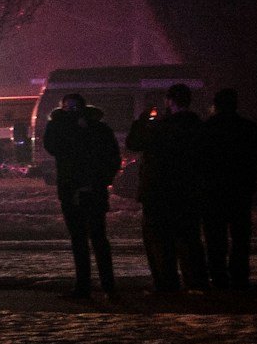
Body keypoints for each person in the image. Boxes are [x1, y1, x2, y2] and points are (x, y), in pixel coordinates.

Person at [126, 83, 210, 292]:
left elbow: (134, 143)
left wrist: (143, 120)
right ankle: (196, 281)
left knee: (160, 241)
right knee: (189, 238)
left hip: (158, 192)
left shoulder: (161, 128)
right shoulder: (198, 127)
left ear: (170, 101)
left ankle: (166, 283)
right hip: (188, 191)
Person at [41, 93, 121, 300]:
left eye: (73, 107)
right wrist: (63, 125)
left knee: (96, 237)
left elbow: (111, 156)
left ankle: (106, 285)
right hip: (71, 189)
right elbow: (51, 146)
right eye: (66, 108)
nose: (70, 111)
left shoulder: (97, 129)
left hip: (91, 189)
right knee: (80, 239)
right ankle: (86, 286)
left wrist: (102, 180)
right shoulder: (60, 128)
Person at [197, 88, 257, 289]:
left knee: (215, 238)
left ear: (216, 105)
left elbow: (198, 158)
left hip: (213, 190)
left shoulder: (208, 128)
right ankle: (239, 276)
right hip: (240, 188)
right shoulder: (248, 127)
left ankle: (218, 276)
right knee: (240, 237)